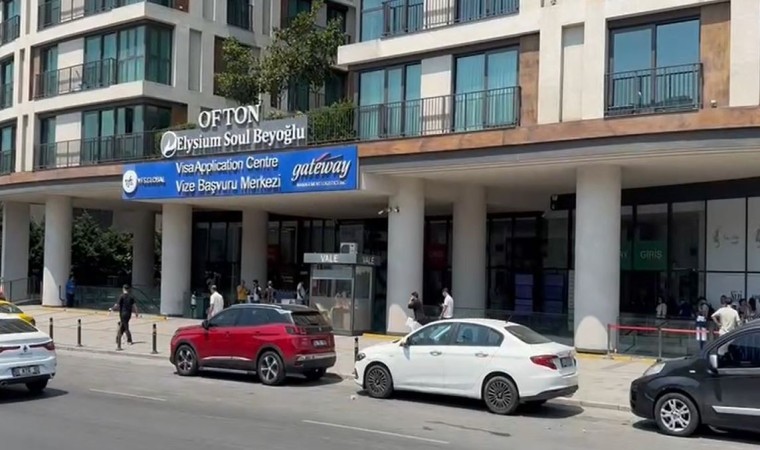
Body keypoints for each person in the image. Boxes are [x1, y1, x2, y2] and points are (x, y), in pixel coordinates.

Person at [110, 285, 138, 350]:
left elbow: (117, 305)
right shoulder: (131, 297)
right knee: (123, 325)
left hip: (123, 313)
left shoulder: (121, 296)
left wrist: (112, 308)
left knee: (125, 327)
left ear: (123, 289)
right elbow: (134, 306)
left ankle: (129, 340)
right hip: (128, 314)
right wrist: (136, 313)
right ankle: (118, 338)